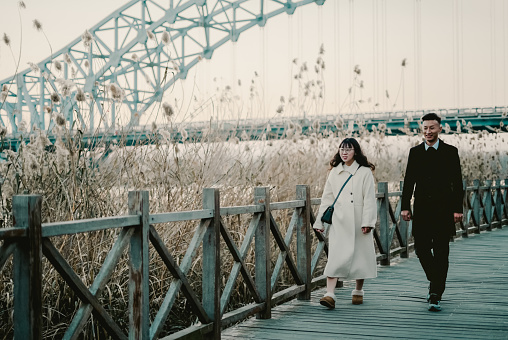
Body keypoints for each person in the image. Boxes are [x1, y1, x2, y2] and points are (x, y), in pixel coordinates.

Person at [401, 112, 464, 312]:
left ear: (440, 129)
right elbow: (409, 181)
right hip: (422, 209)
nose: (428, 131)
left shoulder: (450, 152)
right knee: (420, 248)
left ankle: (435, 293)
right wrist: (405, 206)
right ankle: (436, 280)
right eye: (425, 128)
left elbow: (457, 183)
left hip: (444, 210)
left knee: (441, 251)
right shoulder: (415, 152)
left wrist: (457, 209)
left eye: (432, 128)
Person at [313, 137, 377, 309]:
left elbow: (370, 199)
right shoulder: (334, 172)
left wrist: (368, 221)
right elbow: (327, 198)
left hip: (359, 221)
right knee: (335, 256)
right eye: (342, 149)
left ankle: (358, 291)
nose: (344, 152)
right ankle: (329, 294)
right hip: (339, 221)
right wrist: (319, 221)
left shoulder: (364, 172)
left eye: (348, 149)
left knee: (360, 256)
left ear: (355, 151)